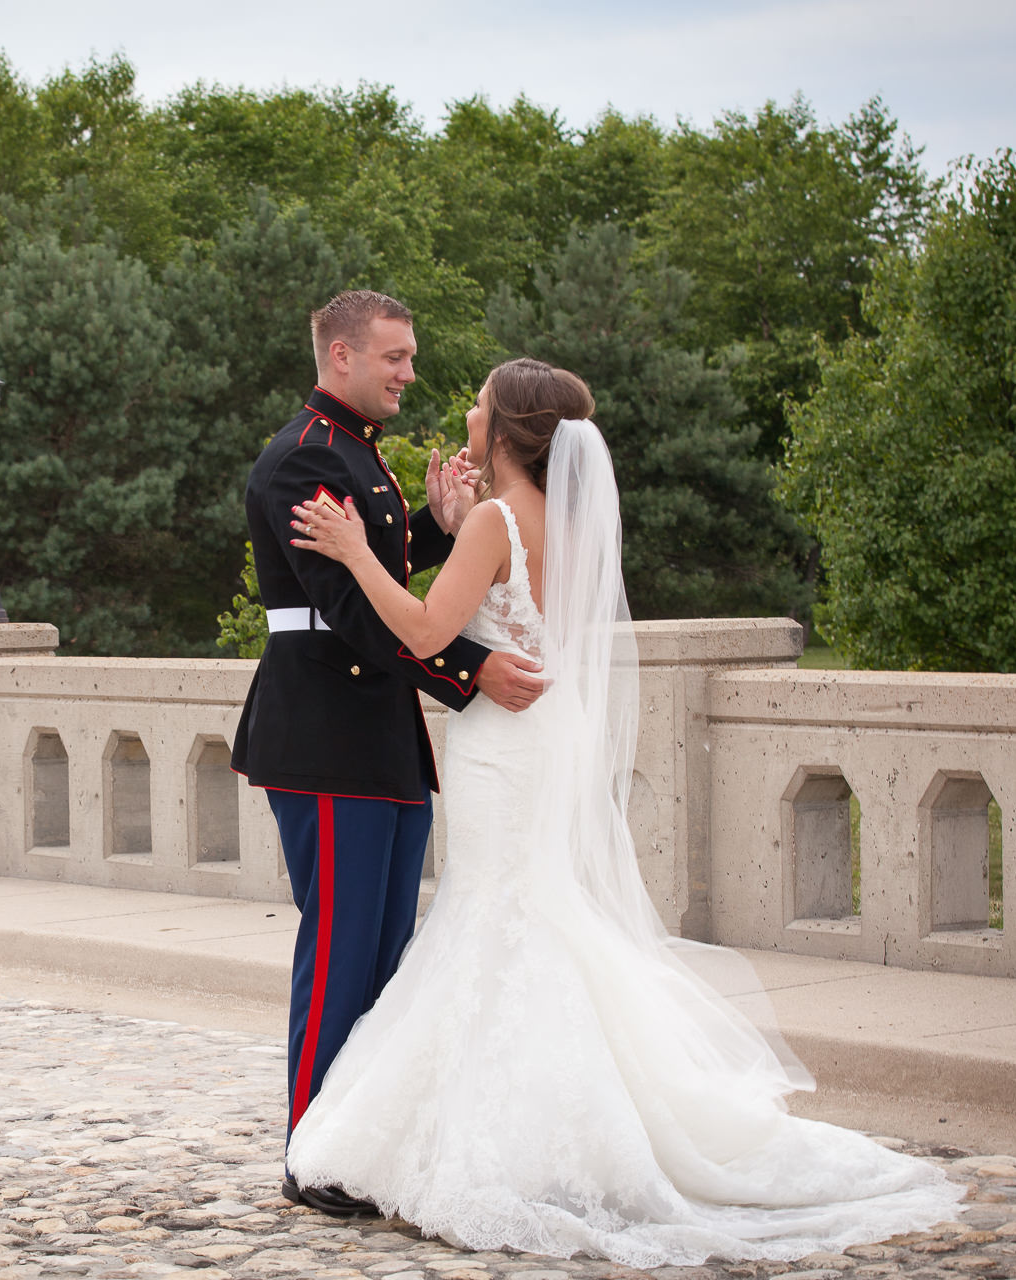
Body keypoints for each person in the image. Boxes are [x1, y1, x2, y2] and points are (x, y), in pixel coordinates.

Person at [280, 357, 965, 1267]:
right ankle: (574, 1123)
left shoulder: (494, 521)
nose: (469, 414)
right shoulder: (559, 522)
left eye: (480, 405)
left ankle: (506, 1141)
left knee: (497, 912)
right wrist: (451, 524)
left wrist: (357, 551)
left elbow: (425, 632)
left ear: (507, 430)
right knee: (528, 910)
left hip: (501, 745)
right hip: (540, 733)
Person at [230, 291, 547, 1218]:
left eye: (409, 356)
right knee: (341, 952)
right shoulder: (304, 459)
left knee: (386, 956)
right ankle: (312, 1154)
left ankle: (361, 1141)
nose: (410, 373)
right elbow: (353, 613)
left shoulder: (355, 452)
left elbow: (380, 570)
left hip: (379, 736)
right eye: (395, 357)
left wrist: (437, 526)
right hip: (325, 735)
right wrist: (472, 669)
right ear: (341, 355)